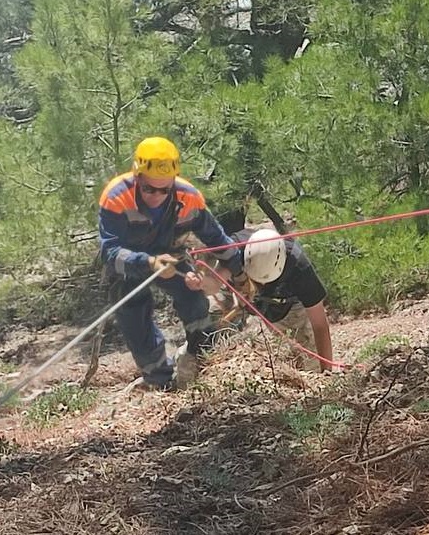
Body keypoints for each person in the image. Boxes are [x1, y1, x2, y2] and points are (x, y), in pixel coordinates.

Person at [97, 136, 246, 390]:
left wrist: (239, 273)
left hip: (171, 257)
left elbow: (216, 239)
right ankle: (160, 381)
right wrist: (149, 263)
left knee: (194, 297)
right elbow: (110, 253)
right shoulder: (116, 197)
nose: (157, 196)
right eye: (149, 189)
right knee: (133, 317)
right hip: (128, 263)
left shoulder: (189, 197)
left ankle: (204, 361)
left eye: (164, 190)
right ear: (137, 178)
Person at [221, 227, 335, 372]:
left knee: (309, 363)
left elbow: (319, 324)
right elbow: (211, 274)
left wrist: (327, 373)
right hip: (235, 285)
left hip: (285, 305)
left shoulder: (300, 268)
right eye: (257, 281)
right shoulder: (233, 248)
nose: (261, 285)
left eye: (264, 282)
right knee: (207, 319)